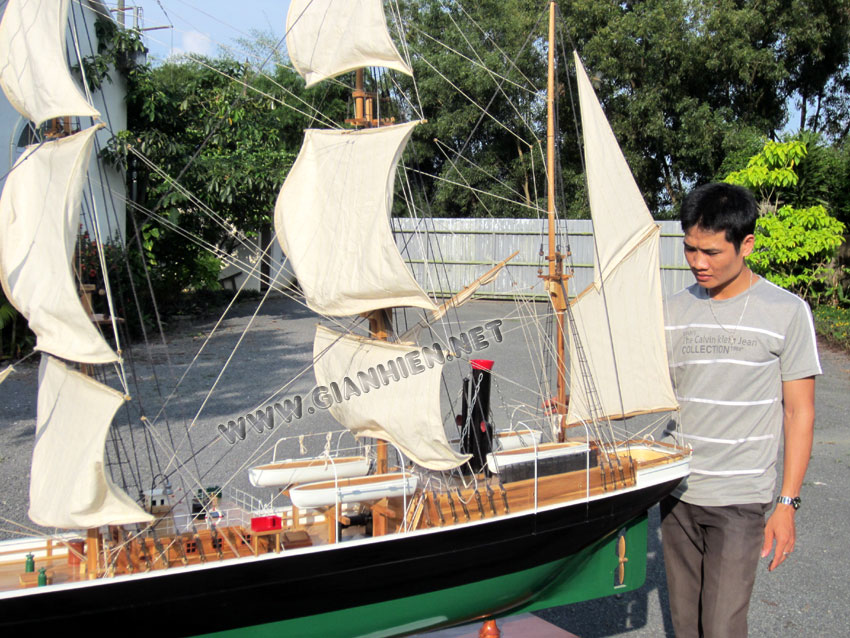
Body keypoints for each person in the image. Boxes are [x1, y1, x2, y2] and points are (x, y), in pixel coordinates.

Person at [661, 182, 821, 638]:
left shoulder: (786, 312)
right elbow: (644, 387)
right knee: (686, 625)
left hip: (740, 500)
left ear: (746, 244)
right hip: (676, 492)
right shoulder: (671, 310)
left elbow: (800, 413)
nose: (697, 263)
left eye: (711, 252)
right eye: (690, 249)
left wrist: (787, 503)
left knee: (722, 627)